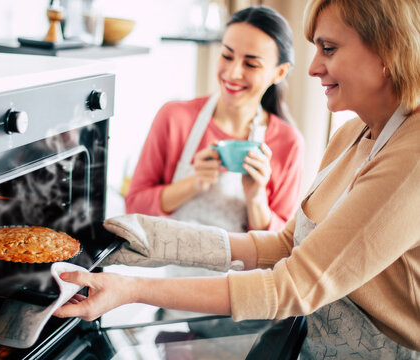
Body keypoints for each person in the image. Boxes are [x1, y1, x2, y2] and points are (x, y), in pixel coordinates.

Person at [54, 0, 420, 358]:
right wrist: (158, 241)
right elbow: (287, 244)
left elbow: (290, 284)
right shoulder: (351, 133)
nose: (313, 68)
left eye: (328, 48)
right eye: (227, 55)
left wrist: (132, 289)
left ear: (389, 49)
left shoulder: (411, 155)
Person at [125, 5, 304, 233]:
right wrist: (193, 183)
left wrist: (256, 198)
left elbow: (279, 249)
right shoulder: (173, 117)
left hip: (238, 270)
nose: (232, 73)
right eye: (227, 55)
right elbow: (133, 207)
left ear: (279, 73)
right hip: (164, 269)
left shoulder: (289, 143)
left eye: (251, 64)